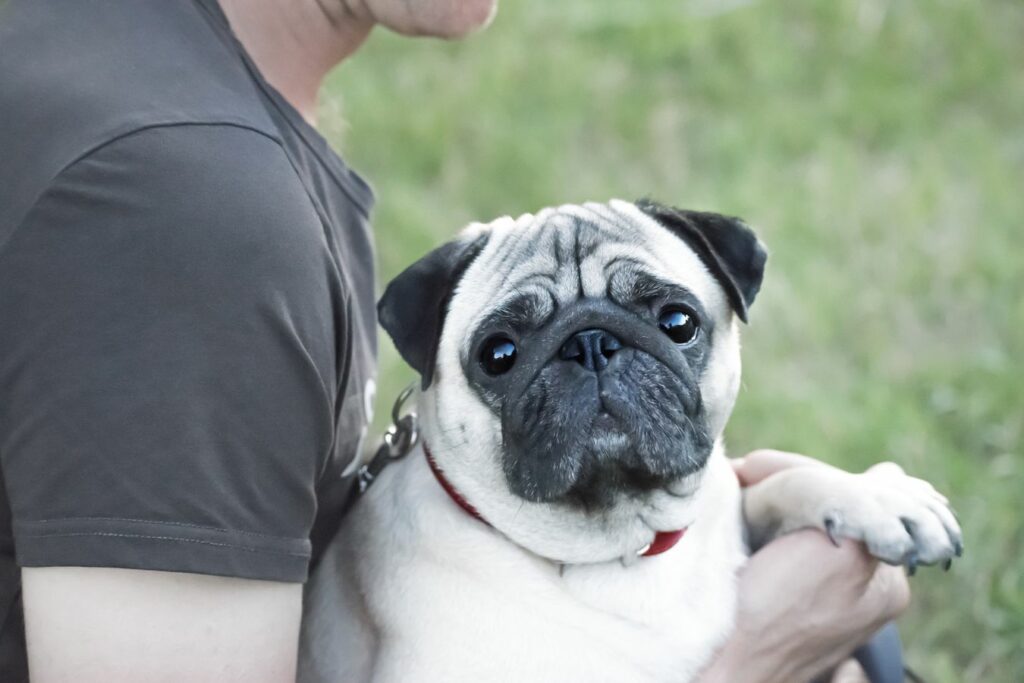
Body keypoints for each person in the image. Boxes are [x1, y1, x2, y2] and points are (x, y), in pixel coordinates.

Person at [0, 1, 909, 680]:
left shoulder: (114, 48)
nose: (597, 364)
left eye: (671, 326)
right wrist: (753, 654)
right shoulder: (188, 214)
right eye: (506, 356)